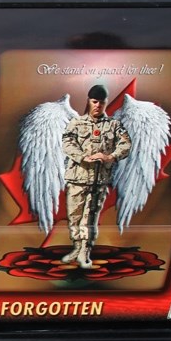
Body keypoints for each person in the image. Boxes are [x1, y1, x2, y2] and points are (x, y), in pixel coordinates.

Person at [61, 85, 132, 268]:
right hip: (78, 178)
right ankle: (76, 246)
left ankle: (85, 249)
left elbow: (125, 145)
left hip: (98, 180)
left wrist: (110, 157)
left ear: (106, 102)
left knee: (90, 216)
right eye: (94, 102)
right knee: (74, 216)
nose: (98, 106)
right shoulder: (76, 123)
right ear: (88, 101)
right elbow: (67, 143)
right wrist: (83, 157)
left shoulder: (114, 125)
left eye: (101, 102)